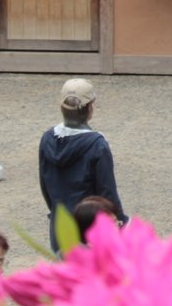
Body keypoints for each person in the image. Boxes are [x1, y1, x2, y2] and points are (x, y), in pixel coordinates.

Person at [39, 78, 128, 252]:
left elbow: (45, 185)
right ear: (90, 108)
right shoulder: (97, 145)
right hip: (90, 229)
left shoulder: (47, 138)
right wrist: (120, 221)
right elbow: (107, 192)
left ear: (61, 108)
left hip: (61, 226)